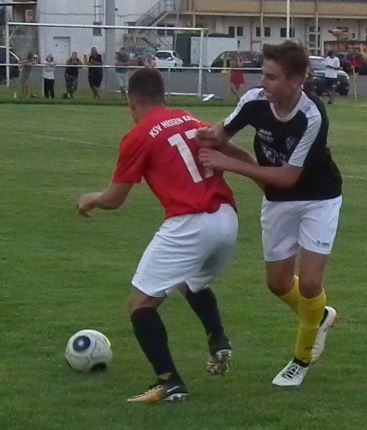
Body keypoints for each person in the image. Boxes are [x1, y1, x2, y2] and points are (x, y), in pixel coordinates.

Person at [76, 68, 238, 403]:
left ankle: (169, 382)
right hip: (227, 218)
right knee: (191, 281)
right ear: (163, 97)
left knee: (140, 305)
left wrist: (91, 199)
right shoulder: (191, 119)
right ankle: (218, 339)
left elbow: (115, 199)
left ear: (131, 102)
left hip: (190, 222)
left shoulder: (138, 134)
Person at [197, 41, 342, 387]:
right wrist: (202, 134)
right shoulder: (254, 101)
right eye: (263, 75)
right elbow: (219, 134)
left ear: (296, 82)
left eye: (272, 77)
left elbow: (289, 177)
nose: (263, 83)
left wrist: (231, 163)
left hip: (319, 198)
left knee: (310, 283)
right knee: (277, 283)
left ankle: (300, 361)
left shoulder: (312, 115)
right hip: (278, 200)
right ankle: (320, 316)